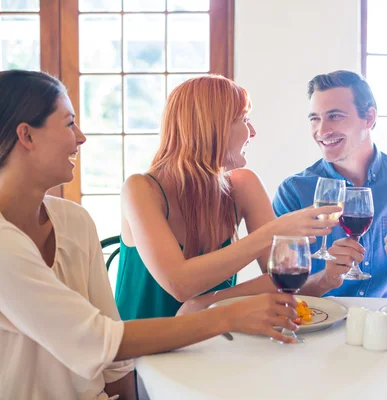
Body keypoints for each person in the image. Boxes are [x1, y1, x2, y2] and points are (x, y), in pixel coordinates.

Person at [0, 70, 301, 400]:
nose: (82, 137)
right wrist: (223, 314)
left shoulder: (75, 221)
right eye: (69, 123)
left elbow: (111, 351)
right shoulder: (141, 189)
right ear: (27, 136)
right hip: (154, 361)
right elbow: (99, 339)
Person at [116, 75, 343, 320]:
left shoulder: (242, 185)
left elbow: (281, 278)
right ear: (212, 126)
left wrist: (206, 304)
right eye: (244, 119)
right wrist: (273, 231)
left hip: (211, 342)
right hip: (142, 349)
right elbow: (179, 284)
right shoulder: (140, 189)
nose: (253, 132)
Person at [272, 70, 387, 299]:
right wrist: (325, 280)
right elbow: (283, 293)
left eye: (335, 116)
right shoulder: (293, 192)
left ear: (369, 118)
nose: (322, 131)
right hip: (321, 327)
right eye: (315, 118)